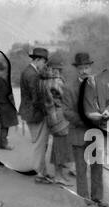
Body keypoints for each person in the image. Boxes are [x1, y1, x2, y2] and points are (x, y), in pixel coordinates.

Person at [70, 52, 109, 207]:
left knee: (97, 166)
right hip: (79, 133)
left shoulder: (102, 85)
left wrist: (108, 113)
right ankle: (86, 201)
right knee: (81, 169)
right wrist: (87, 118)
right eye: (81, 68)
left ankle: (98, 198)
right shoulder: (70, 88)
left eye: (87, 67)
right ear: (77, 69)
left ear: (91, 67)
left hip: (97, 132)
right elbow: (66, 112)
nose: (84, 71)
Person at [39, 53, 74, 185]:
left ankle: (59, 175)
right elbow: (66, 98)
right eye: (59, 69)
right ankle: (59, 176)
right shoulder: (56, 81)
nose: (60, 71)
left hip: (50, 116)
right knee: (60, 147)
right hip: (60, 117)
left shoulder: (43, 80)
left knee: (58, 146)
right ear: (56, 69)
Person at [19, 47, 50, 182]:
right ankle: (40, 174)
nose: (45, 65)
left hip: (28, 112)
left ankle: (42, 172)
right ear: (37, 60)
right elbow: (36, 98)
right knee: (40, 143)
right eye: (44, 61)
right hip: (36, 114)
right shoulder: (33, 75)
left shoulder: (27, 71)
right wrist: (47, 110)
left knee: (38, 142)